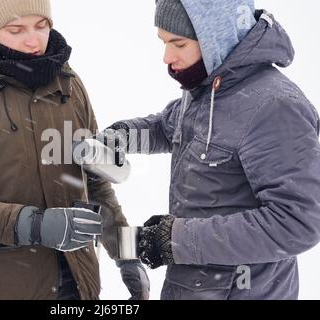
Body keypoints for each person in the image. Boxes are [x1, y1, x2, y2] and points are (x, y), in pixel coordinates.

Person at [0, 0, 149, 300]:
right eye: (16, 29)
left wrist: (125, 252)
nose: (33, 40)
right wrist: (33, 225)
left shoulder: (68, 83)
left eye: (42, 26)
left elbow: (94, 181)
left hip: (77, 285)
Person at [99, 0, 320, 299]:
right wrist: (123, 136)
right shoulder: (211, 85)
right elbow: (169, 127)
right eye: (163, 42)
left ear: (217, 36)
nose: (167, 56)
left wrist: (174, 240)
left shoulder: (275, 107)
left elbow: (297, 222)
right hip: (194, 287)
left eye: (178, 43)